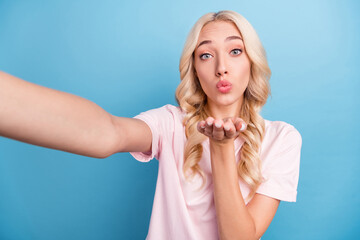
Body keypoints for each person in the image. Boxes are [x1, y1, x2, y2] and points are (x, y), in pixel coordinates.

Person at [0, 10, 302, 240]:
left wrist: (221, 149)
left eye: (235, 51)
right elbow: (108, 133)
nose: (221, 67)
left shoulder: (281, 139)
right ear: (195, 70)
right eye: (206, 55)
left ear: (252, 60)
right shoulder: (170, 123)